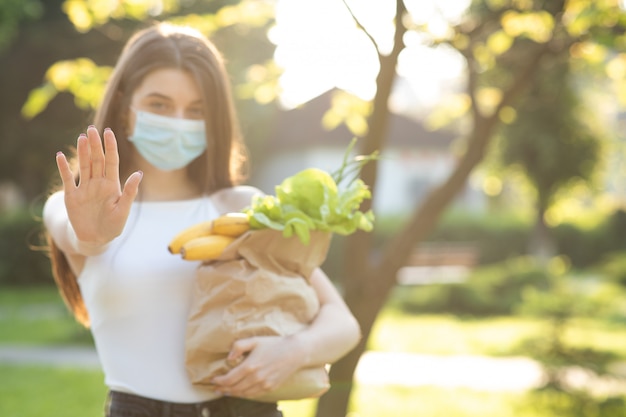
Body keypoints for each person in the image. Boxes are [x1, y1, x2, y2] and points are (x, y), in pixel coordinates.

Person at [43, 22, 361, 417]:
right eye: (159, 105)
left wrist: (294, 351)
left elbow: (343, 324)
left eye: (196, 111)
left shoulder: (242, 209)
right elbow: (83, 238)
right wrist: (90, 235)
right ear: (125, 109)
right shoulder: (69, 210)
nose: (178, 121)